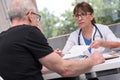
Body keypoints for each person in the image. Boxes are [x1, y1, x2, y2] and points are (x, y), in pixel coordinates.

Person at [0, 0, 105, 80]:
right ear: (31, 15)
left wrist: (49, 58)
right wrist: (92, 60)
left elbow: (26, 70)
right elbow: (66, 70)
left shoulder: (2, 38)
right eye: (37, 17)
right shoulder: (30, 32)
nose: (37, 22)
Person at [62, 2, 120, 80]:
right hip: (89, 75)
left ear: (92, 16)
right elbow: (65, 55)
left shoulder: (103, 29)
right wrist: (59, 54)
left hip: (109, 74)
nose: (80, 18)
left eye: (83, 14)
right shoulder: (74, 36)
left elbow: (118, 44)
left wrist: (102, 43)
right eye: (77, 15)